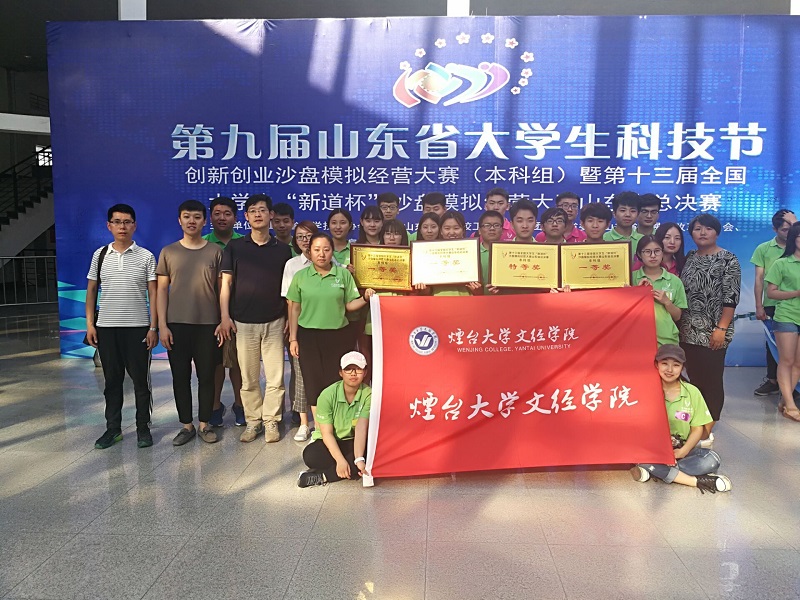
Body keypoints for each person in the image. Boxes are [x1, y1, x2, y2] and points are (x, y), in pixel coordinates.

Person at [218, 194, 292, 443]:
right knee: (248, 378)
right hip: (243, 322)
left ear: (271, 215)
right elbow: (226, 284)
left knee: (275, 377)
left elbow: (288, 290)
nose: (258, 214)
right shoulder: (235, 247)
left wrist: (288, 319)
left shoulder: (283, 250)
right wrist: (225, 316)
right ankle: (253, 422)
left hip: (275, 321)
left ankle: (271, 421)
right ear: (246, 217)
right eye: (252, 211)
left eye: (262, 210)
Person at [85, 203, 158, 449]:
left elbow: (154, 294)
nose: (122, 226)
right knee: (112, 382)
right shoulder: (100, 255)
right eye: (117, 222)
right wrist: (90, 325)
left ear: (134, 225)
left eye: (127, 222)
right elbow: (91, 290)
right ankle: (113, 429)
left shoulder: (146, 256)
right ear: (109, 226)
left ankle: (143, 428)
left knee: (141, 383)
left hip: (138, 328)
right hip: (106, 328)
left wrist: (153, 327)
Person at [287, 233, 375, 422]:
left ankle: (335, 424)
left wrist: (365, 298)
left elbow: (349, 305)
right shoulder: (301, 277)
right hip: (308, 336)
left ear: (332, 251)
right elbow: (294, 308)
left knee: (334, 381)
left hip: (338, 336)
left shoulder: (343, 274)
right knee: (313, 381)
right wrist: (293, 338)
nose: (322, 254)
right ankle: (320, 429)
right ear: (309, 252)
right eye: (317, 250)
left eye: (326, 250)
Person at [156, 199, 223, 445]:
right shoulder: (168, 252)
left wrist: (222, 320)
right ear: (179, 220)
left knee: (207, 376)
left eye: (196, 217)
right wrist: (162, 326)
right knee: (180, 377)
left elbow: (222, 290)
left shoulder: (215, 252)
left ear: (204, 221)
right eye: (187, 216)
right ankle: (186, 425)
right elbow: (161, 291)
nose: (191, 221)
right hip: (176, 325)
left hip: (208, 325)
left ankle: (205, 424)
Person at [630, 345, 732, 494]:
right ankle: (695, 481)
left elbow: (697, 429)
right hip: (654, 451)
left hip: (682, 450)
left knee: (712, 460)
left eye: (676, 365)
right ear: (656, 364)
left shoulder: (692, 392)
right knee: (639, 455)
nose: (669, 369)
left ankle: (655, 471)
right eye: (664, 363)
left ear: (683, 367)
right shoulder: (646, 391)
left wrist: (683, 451)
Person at [680, 213, 741, 446]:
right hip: (687, 330)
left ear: (717, 232)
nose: (702, 232)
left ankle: (707, 430)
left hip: (713, 331)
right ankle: (695, 424)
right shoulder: (690, 258)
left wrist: (721, 328)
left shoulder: (728, 259)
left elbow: (730, 298)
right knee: (694, 380)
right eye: (697, 229)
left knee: (712, 380)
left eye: (708, 228)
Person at [297, 351, 371, 488]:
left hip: (353, 441)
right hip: (330, 441)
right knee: (311, 455)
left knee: (370, 455)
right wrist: (340, 460)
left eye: (358, 369)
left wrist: (359, 458)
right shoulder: (327, 395)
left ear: (365, 372)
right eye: (348, 369)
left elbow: (361, 428)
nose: (353, 373)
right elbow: (327, 433)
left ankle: (323, 476)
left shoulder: (368, 394)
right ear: (340, 372)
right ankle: (347, 468)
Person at [203, 197, 245, 428]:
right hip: (210, 314)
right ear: (210, 217)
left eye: (227, 214)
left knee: (238, 363)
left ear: (235, 218)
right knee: (215, 364)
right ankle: (215, 406)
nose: (222, 218)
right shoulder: (203, 244)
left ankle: (240, 405)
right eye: (217, 213)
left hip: (239, 313)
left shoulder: (244, 243)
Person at [281, 221, 320, 441]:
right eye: (300, 237)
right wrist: (292, 328)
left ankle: (323, 420)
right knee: (301, 374)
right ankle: (303, 421)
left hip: (326, 327)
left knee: (322, 374)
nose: (305, 241)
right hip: (301, 326)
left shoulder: (331, 262)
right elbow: (290, 301)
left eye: (309, 236)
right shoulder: (292, 265)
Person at [752, 209, 797, 396]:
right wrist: (759, 305)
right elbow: (759, 279)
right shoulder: (764, 249)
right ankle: (773, 381)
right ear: (774, 229)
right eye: (785, 230)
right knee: (773, 345)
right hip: (773, 302)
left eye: (792, 228)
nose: (789, 233)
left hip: (797, 303)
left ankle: (794, 386)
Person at [765, 221, 800, 421]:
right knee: (786, 360)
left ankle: (785, 401)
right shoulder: (782, 263)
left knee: (798, 363)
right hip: (786, 315)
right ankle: (791, 405)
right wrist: (796, 293)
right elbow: (771, 292)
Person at [632, 236, 687, 347]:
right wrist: (636, 293)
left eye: (657, 251)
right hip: (637, 339)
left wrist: (667, 302)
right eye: (647, 252)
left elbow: (677, 317)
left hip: (667, 340)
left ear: (662, 253)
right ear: (639, 254)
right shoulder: (631, 278)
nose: (653, 255)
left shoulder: (674, 280)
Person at [422, 210, 482, 296]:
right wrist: (424, 288)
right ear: (441, 230)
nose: (452, 232)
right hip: (437, 300)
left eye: (456, 228)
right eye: (447, 228)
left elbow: (479, 291)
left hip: (465, 300)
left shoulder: (471, 251)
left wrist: (476, 289)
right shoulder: (430, 253)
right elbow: (427, 292)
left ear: (463, 230)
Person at [603, 191, 643, 260]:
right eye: (622, 210)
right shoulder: (603, 239)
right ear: (614, 213)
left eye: (633, 211)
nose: (627, 214)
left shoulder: (643, 240)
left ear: (638, 214)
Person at [478, 211, 504, 291]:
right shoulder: (473, 253)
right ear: (479, 230)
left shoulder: (508, 253)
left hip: (504, 297)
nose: (492, 229)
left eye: (496, 225)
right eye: (487, 225)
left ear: (502, 230)